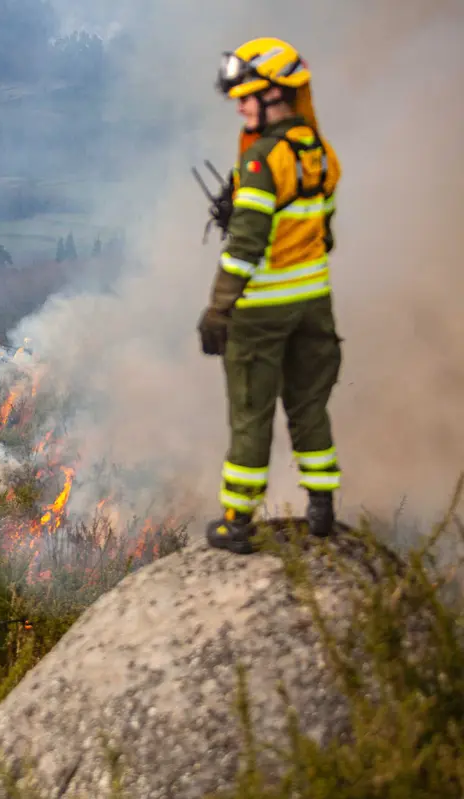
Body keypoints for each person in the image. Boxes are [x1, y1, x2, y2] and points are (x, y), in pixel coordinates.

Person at [199, 37, 343, 554]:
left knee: (251, 412)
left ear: (274, 94)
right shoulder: (317, 151)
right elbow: (323, 232)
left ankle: (237, 522)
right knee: (309, 406)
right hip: (314, 305)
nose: (240, 107)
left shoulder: (262, 159)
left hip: (261, 312)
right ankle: (322, 508)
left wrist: (218, 310)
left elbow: (245, 247)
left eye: (246, 97)